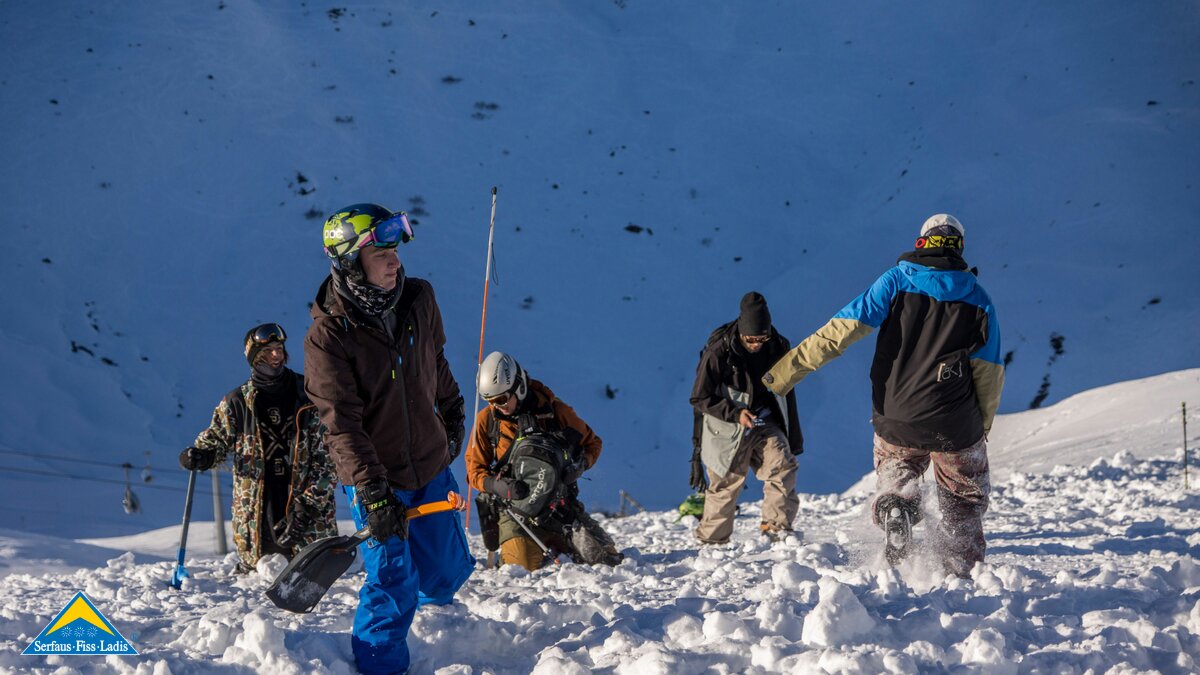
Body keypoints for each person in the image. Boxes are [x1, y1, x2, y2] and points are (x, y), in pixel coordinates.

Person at [763, 214, 1003, 577]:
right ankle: (961, 573)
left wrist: (781, 375)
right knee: (963, 499)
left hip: (896, 414)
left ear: (922, 243)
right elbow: (989, 373)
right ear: (959, 248)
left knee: (897, 468)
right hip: (954, 421)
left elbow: (838, 333)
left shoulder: (895, 281)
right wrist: (981, 425)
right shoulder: (979, 299)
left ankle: (898, 505)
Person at [303, 203, 472, 675]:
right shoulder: (328, 336)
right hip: (377, 478)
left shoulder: (418, 298)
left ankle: (438, 613)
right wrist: (373, 493)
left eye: (395, 248)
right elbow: (341, 423)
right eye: (381, 252)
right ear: (350, 262)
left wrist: (453, 415)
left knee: (442, 573)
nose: (395, 261)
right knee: (392, 578)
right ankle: (381, 665)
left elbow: (434, 363)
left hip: (430, 463)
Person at [180, 323, 337, 573]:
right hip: (256, 518)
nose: (276, 355)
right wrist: (201, 456)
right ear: (253, 356)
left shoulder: (309, 395)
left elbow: (330, 456)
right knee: (258, 592)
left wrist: (307, 505)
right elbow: (215, 441)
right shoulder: (238, 402)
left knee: (310, 581)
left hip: (307, 517)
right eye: (268, 351)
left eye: (279, 349)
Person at [466, 351, 622, 571]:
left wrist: (579, 466)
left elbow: (592, 443)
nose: (497, 406)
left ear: (518, 387)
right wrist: (495, 485)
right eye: (490, 401)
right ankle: (512, 551)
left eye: (501, 399)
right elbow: (474, 471)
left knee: (608, 560)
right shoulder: (486, 421)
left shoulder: (555, 411)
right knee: (522, 570)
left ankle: (561, 543)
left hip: (561, 510)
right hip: (516, 516)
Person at [690, 292, 805, 544]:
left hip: (764, 420)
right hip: (726, 427)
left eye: (761, 338)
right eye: (751, 339)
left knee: (783, 466)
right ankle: (712, 543)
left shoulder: (778, 345)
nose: (756, 344)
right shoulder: (719, 351)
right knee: (725, 484)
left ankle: (776, 530)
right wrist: (734, 413)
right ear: (741, 331)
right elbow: (699, 397)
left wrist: (793, 437)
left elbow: (788, 394)